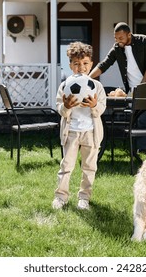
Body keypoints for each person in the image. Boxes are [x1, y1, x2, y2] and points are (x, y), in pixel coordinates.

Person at [89, 22, 146, 153]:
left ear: (129, 35)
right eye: (116, 38)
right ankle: (142, 149)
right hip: (133, 89)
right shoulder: (117, 48)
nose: (118, 41)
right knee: (140, 118)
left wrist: (143, 85)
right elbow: (104, 64)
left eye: (121, 38)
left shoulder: (144, 41)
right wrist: (88, 78)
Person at [52, 42, 107, 210]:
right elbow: (60, 108)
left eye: (85, 63)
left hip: (91, 132)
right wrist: (67, 106)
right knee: (66, 165)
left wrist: (94, 105)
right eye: (76, 64)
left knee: (89, 167)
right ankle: (61, 197)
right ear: (70, 66)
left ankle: (84, 197)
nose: (81, 67)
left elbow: (101, 108)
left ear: (91, 64)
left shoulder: (96, 86)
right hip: (71, 133)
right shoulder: (65, 86)